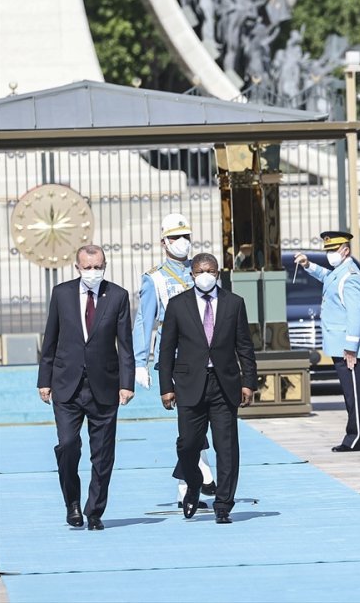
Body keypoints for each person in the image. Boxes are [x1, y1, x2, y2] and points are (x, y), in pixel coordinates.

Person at [37, 245, 134, 530]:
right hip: (66, 385)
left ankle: (94, 511)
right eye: (88, 267)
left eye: (98, 266)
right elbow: (50, 339)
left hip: (104, 386)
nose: (94, 272)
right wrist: (44, 380)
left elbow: (125, 345)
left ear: (105, 265)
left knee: (103, 454)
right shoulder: (62, 294)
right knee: (67, 445)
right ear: (77, 267)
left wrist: (126, 384)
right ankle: (72, 503)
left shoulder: (117, 296)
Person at [158, 253, 257, 524]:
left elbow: (245, 347)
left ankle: (223, 504)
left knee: (226, 447)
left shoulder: (234, 303)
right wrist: (166, 386)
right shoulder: (178, 305)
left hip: (224, 384)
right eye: (201, 270)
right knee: (188, 444)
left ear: (218, 273)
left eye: (211, 271)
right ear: (192, 274)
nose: (206, 275)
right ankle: (192, 483)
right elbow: (166, 349)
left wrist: (248, 382)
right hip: (189, 385)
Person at [132, 213, 216, 507]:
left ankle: (187, 489)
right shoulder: (154, 278)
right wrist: (140, 362)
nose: (182, 243)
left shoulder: (201, 271)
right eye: (175, 238)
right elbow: (145, 321)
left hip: (207, 358)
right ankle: (202, 474)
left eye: (186, 237)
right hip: (179, 361)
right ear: (163, 242)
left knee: (196, 424)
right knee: (192, 423)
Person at [295, 231, 360, 452]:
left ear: (345, 250)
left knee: (353, 395)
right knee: (348, 394)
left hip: (347, 348)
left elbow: (356, 314)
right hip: (339, 345)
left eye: (333, 250)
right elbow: (327, 277)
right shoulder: (340, 272)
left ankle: (355, 438)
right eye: (327, 250)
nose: (329, 254)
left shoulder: (351, 276)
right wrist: (308, 265)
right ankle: (352, 436)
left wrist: (351, 348)